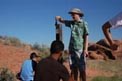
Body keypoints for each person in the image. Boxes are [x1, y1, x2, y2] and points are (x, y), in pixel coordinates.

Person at [55, 8, 89, 81]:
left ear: (78, 14)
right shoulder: (72, 23)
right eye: (71, 14)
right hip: (71, 50)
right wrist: (59, 18)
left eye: (73, 14)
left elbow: (86, 36)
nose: (72, 16)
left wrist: (85, 49)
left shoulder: (84, 23)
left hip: (79, 50)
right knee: (74, 69)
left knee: (82, 70)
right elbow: (63, 21)